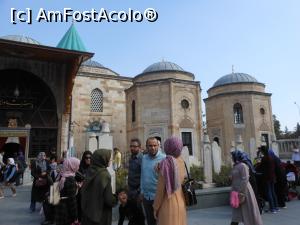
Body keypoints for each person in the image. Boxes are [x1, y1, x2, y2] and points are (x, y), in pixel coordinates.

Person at [153, 136, 187, 225]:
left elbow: (160, 190)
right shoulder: (182, 162)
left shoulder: (165, 164)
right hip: (181, 203)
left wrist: (155, 207)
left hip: (168, 205)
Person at [81, 149, 116, 225]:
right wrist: (115, 199)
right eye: (109, 158)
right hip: (101, 215)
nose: (110, 160)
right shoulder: (104, 175)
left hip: (88, 213)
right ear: (103, 159)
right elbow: (108, 199)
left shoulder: (90, 171)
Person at [230, 150, 263, 225]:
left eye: (233, 156)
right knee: (236, 213)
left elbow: (245, 179)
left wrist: (240, 190)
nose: (232, 158)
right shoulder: (236, 165)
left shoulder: (243, 166)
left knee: (248, 211)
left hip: (244, 191)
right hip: (236, 192)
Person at [140, 137, 166, 225]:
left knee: (160, 221)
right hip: (146, 197)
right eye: (150, 146)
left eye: (155, 145)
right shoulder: (144, 158)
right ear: (146, 146)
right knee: (150, 221)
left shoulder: (164, 159)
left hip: (159, 198)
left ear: (158, 146)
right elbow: (143, 176)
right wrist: (142, 191)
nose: (153, 148)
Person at [55, 157, 80, 225]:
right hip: (67, 212)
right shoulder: (70, 179)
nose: (78, 167)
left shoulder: (61, 175)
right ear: (72, 166)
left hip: (59, 209)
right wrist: (75, 218)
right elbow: (72, 201)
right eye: (77, 165)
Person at [260, 146, 279, 213]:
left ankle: (272, 208)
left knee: (269, 192)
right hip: (273, 176)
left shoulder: (264, 158)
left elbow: (261, 167)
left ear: (262, 151)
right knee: (273, 192)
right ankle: (276, 207)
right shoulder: (272, 157)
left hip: (267, 177)